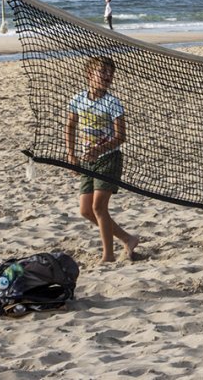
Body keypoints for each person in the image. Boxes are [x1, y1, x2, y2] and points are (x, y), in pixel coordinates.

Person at [65, 56, 139, 263]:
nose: (107, 76)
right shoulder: (78, 100)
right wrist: (71, 155)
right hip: (87, 160)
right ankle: (127, 238)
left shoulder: (112, 102)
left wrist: (100, 149)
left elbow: (121, 136)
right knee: (85, 210)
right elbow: (70, 127)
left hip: (109, 159)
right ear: (90, 74)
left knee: (99, 208)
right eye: (102, 72)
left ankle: (108, 256)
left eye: (110, 73)